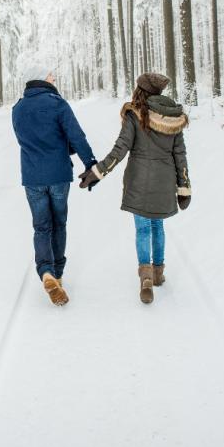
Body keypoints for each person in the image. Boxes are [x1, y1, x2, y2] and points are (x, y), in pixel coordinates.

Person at [79, 72, 192, 304]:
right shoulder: (173, 117)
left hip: (139, 181)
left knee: (143, 229)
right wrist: (184, 187)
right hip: (164, 182)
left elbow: (119, 149)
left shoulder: (135, 115)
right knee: (158, 226)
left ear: (140, 91)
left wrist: (97, 172)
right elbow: (180, 156)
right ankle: (159, 273)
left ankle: (146, 277)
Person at [12, 64, 97, 306]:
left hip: (32, 178)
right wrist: (90, 164)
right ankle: (57, 274)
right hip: (58, 175)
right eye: (50, 74)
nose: (53, 77)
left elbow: (23, 140)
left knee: (41, 228)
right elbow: (77, 136)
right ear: (41, 78)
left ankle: (46, 271)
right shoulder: (57, 103)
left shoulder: (17, 109)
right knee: (59, 224)